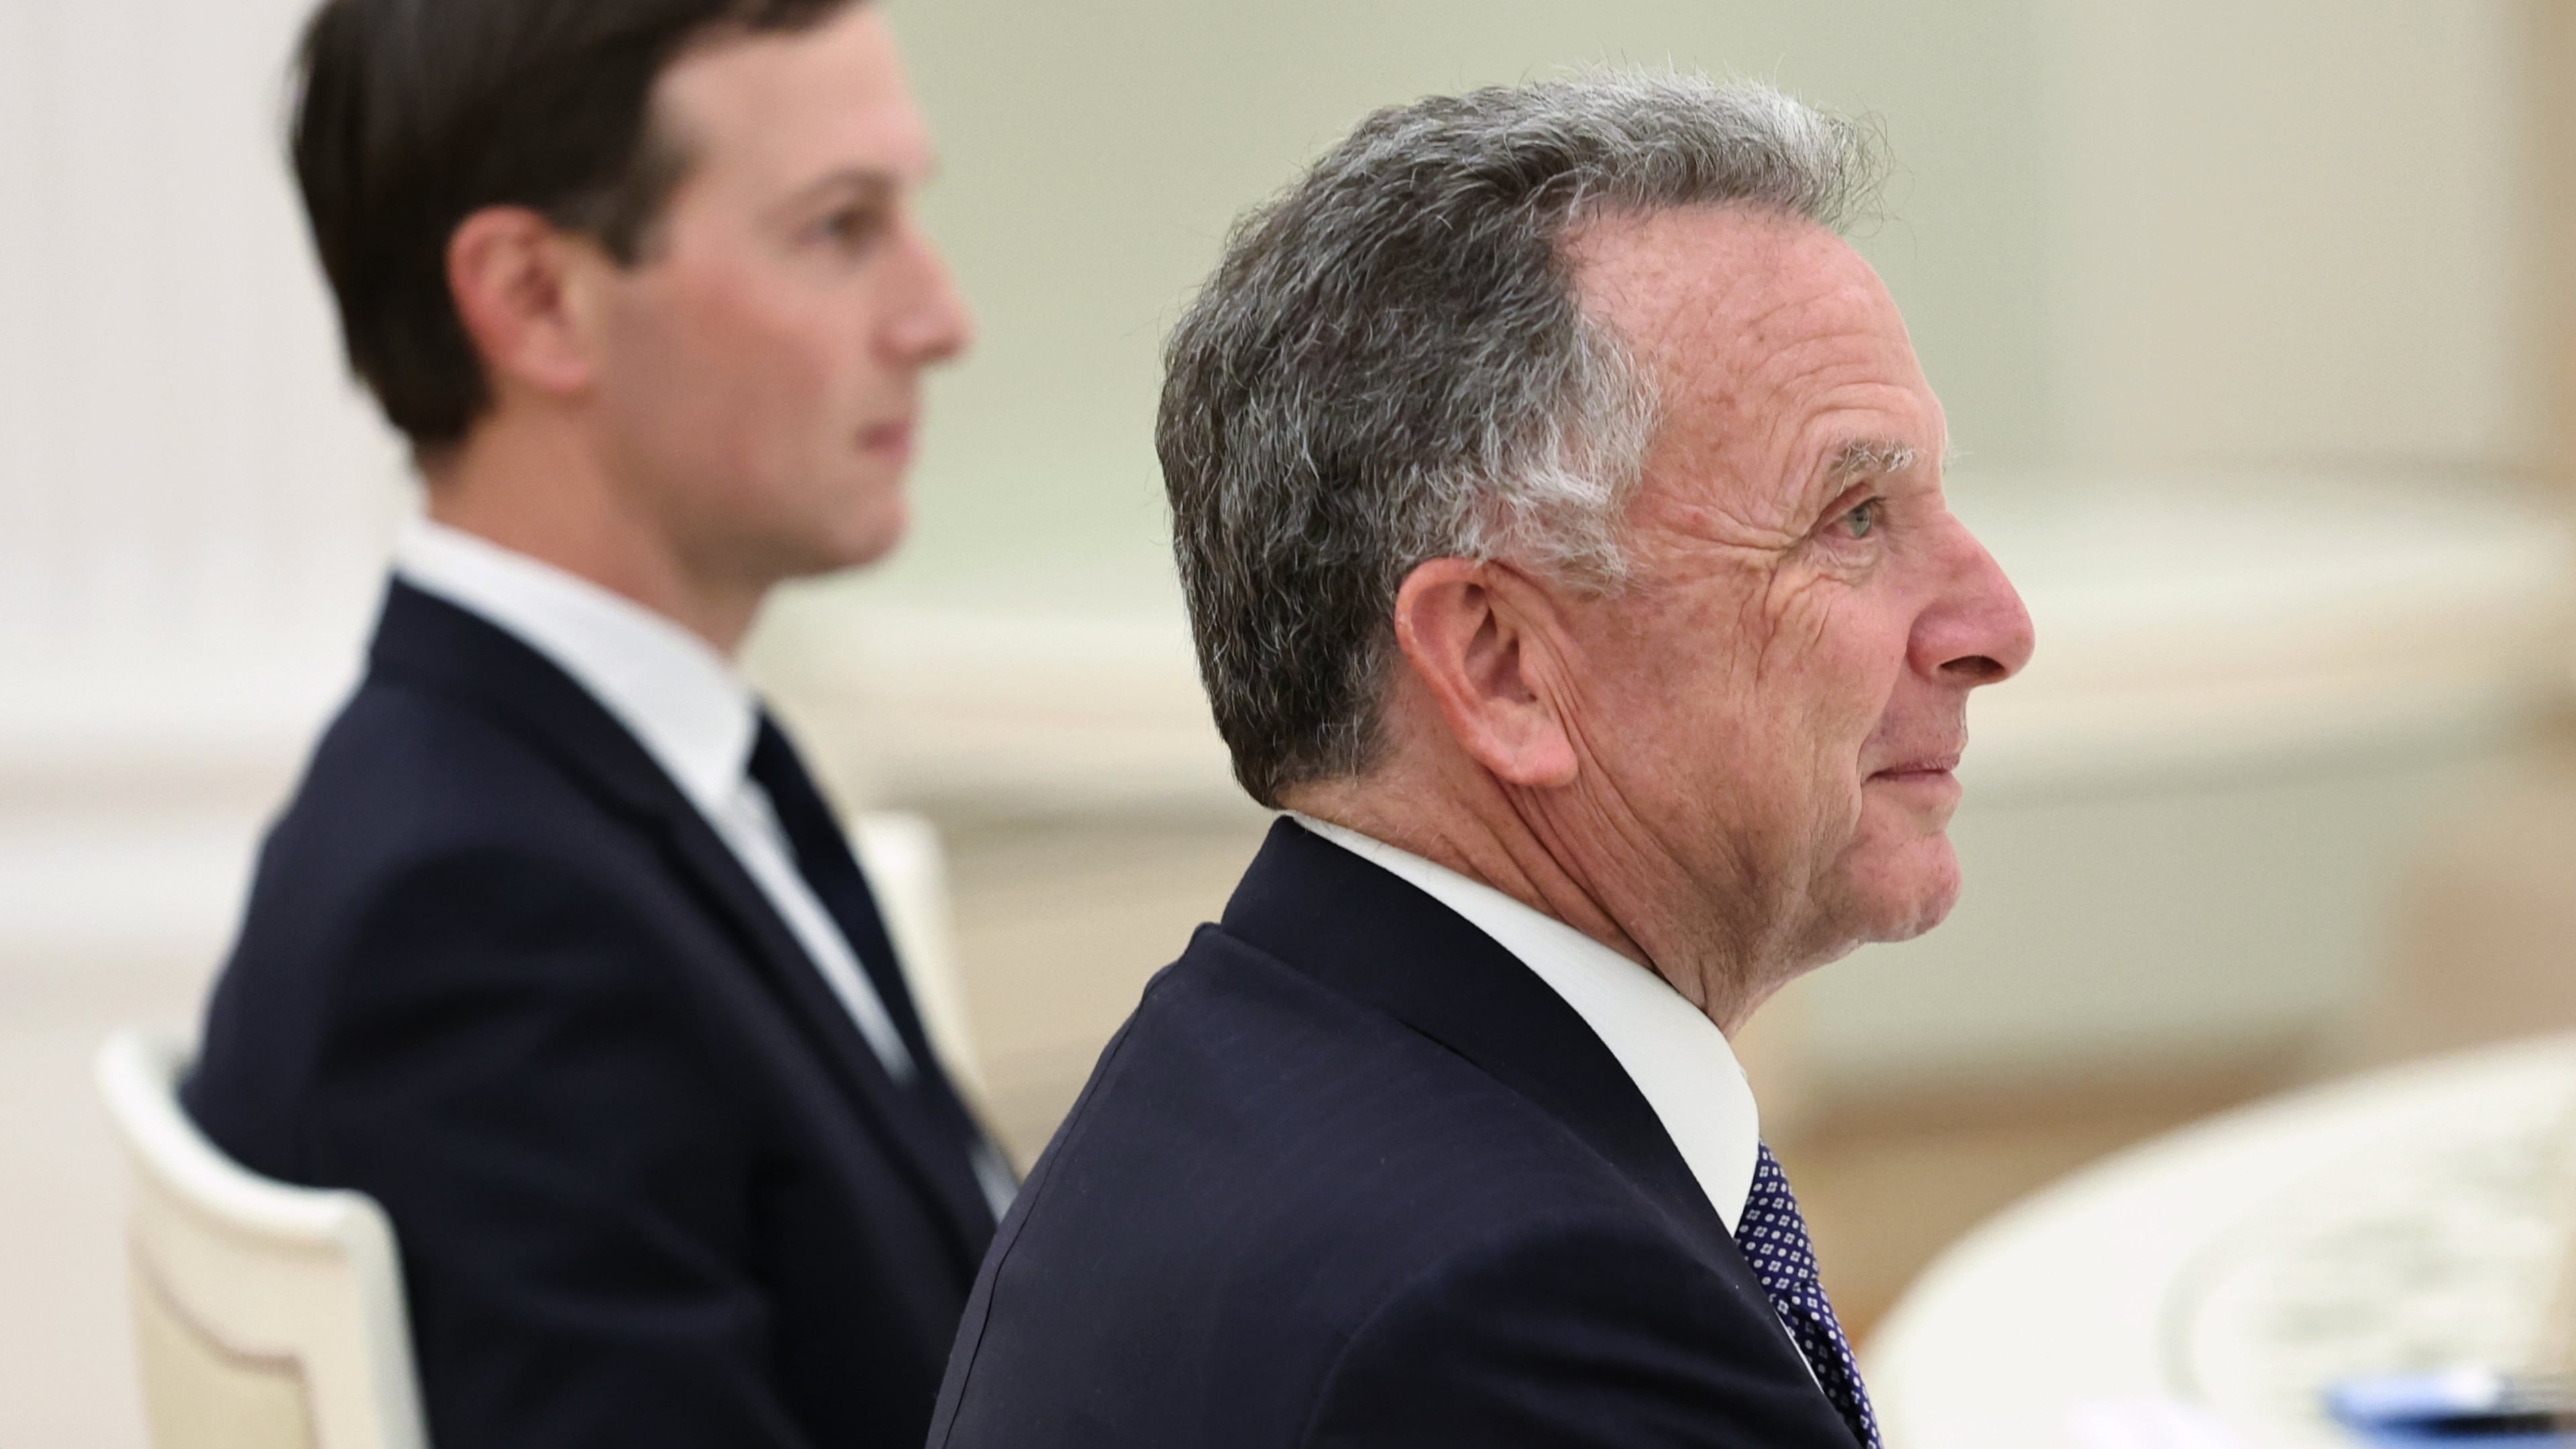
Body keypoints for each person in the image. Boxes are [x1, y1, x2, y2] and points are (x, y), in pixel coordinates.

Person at [928, 74, 2035, 1448]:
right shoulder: (1521, 1308)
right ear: (1501, 662)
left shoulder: (1266, 1085)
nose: (1996, 626)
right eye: (1852, 517)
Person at [182, 2, 1012, 1445]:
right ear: (535, 300)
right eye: (838, 227)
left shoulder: (601, 782)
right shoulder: (480, 922)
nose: (939, 320)